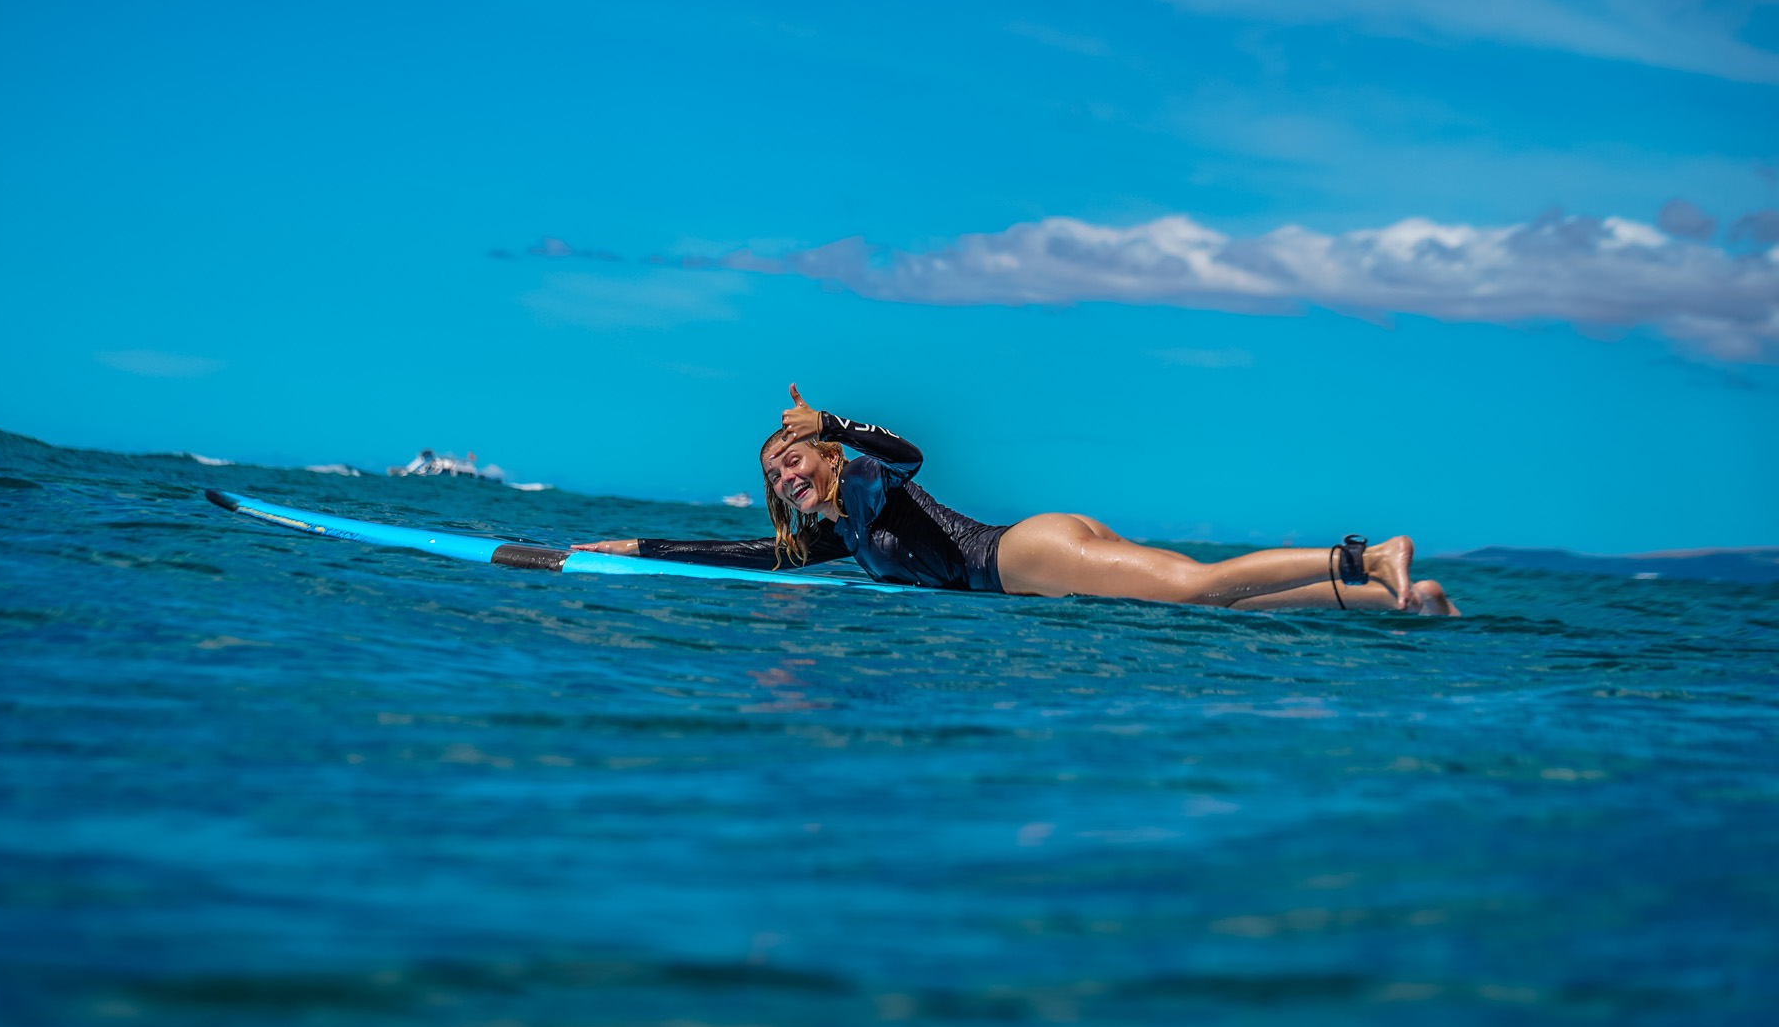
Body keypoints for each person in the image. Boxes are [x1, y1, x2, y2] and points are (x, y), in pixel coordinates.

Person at [573, 385, 1459, 614]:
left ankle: (1368, 553)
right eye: (773, 475)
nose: (784, 477)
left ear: (825, 456)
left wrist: (834, 420)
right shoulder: (843, 530)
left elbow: (907, 451)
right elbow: (755, 559)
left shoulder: (870, 484)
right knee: (1218, 602)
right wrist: (638, 552)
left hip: (1023, 555)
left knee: (1194, 584)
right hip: (1036, 569)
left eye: (793, 459)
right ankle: (1393, 595)